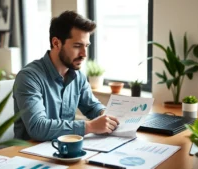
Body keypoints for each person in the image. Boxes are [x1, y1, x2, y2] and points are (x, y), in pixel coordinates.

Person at [13, 11, 119, 141]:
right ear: (56, 43)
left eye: (86, 46)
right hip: (29, 154)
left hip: (65, 150)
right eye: (77, 46)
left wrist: (104, 115)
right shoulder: (29, 77)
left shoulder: (78, 77)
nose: (84, 54)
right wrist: (89, 126)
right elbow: (37, 127)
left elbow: (92, 106)